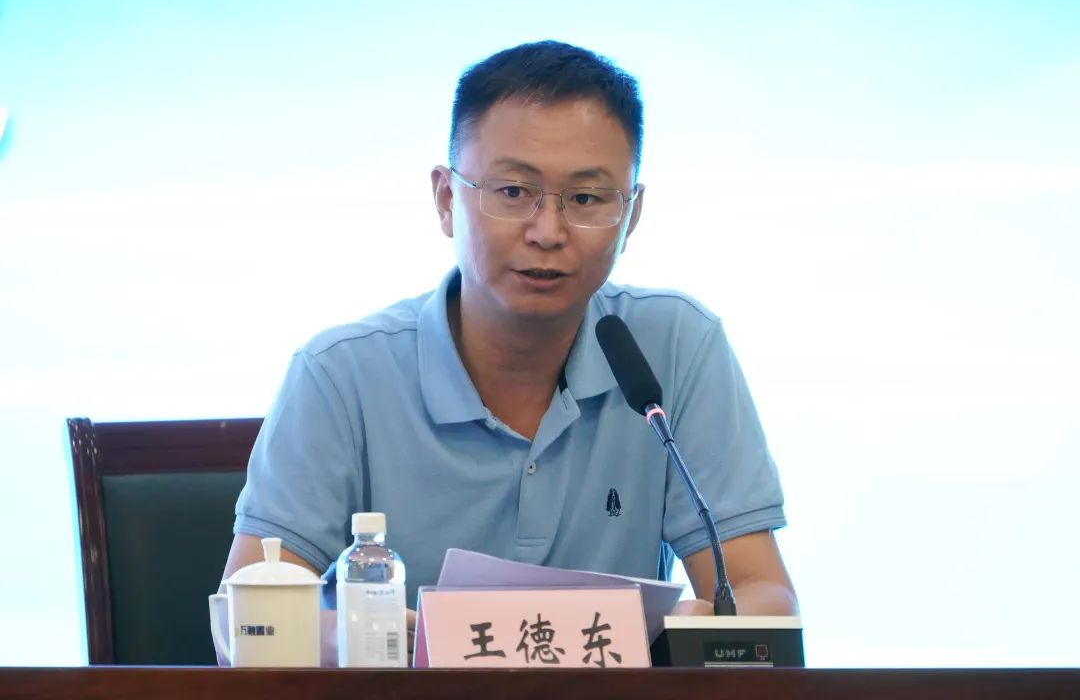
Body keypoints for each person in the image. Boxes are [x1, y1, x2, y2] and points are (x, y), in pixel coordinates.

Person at [221, 40, 797, 655]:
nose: (547, 232)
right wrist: (365, 638)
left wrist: (701, 633)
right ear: (447, 199)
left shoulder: (675, 346)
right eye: (514, 191)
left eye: (586, 198)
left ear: (630, 216)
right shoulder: (341, 374)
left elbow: (760, 588)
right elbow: (244, 624)